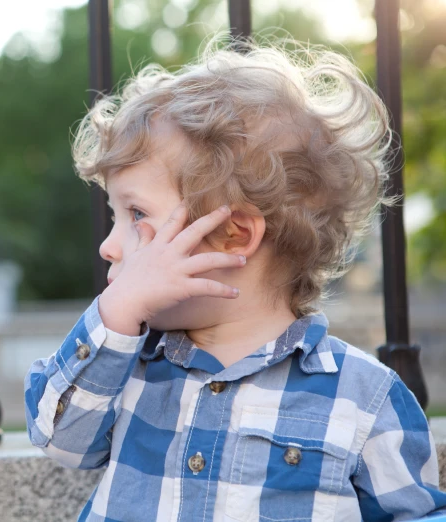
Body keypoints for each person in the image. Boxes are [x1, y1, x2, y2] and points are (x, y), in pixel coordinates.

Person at [23, 36, 446, 521]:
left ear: (233, 235)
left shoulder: (364, 397)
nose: (108, 245)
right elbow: (59, 439)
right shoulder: (124, 366)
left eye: (135, 213)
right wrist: (117, 312)